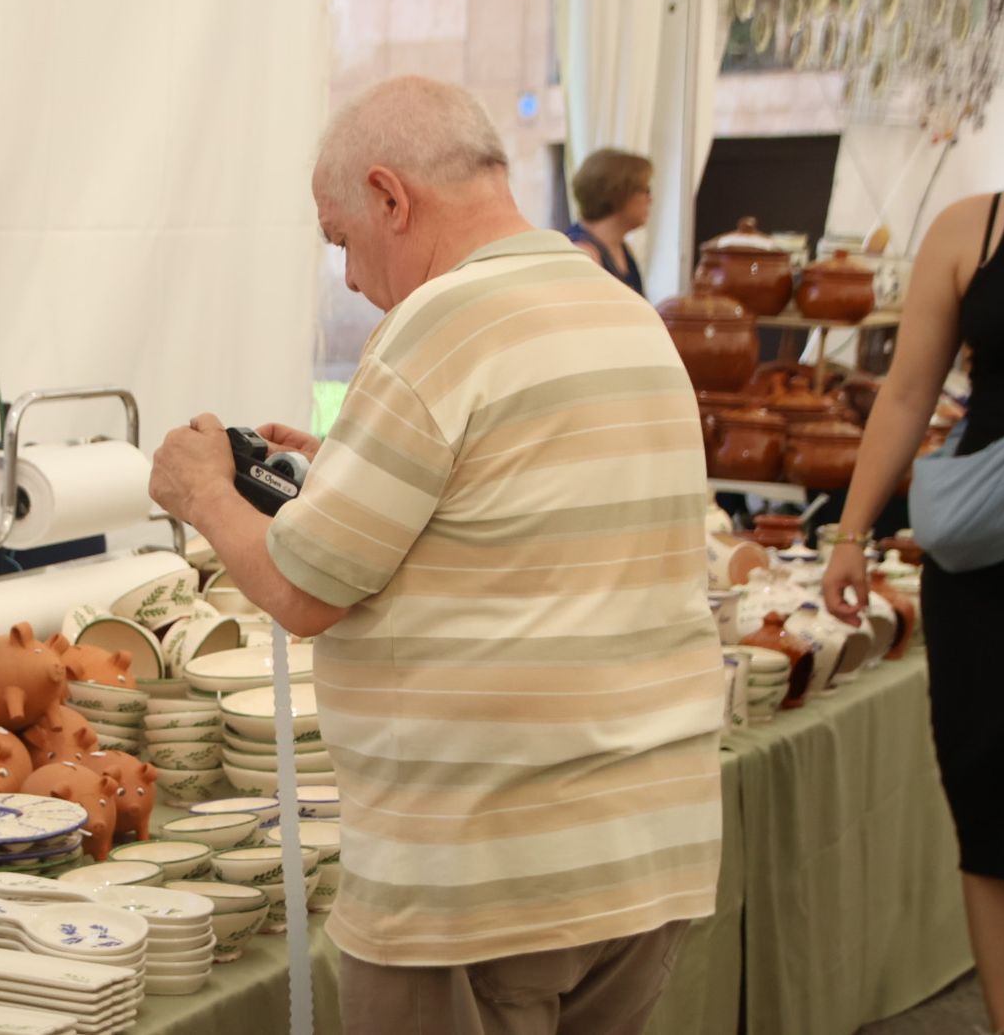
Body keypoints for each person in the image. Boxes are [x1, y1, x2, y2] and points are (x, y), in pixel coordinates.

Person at [149, 76, 724, 1035]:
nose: (349, 276)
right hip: (643, 854)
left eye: (341, 239)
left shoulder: (436, 325)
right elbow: (523, 506)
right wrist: (342, 470)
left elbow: (302, 588)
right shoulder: (622, 312)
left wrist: (206, 490)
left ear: (390, 196)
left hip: (484, 877)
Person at [821, 82, 1004, 1035]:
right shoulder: (969, 230)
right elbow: (905, 395)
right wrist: (852, 533)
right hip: (989, 570)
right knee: (992, 811)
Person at [565, 147, 652, 295]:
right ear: (620, 193)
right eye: (645, 190)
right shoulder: (583, 252)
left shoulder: (623, 248)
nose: (650, 199)